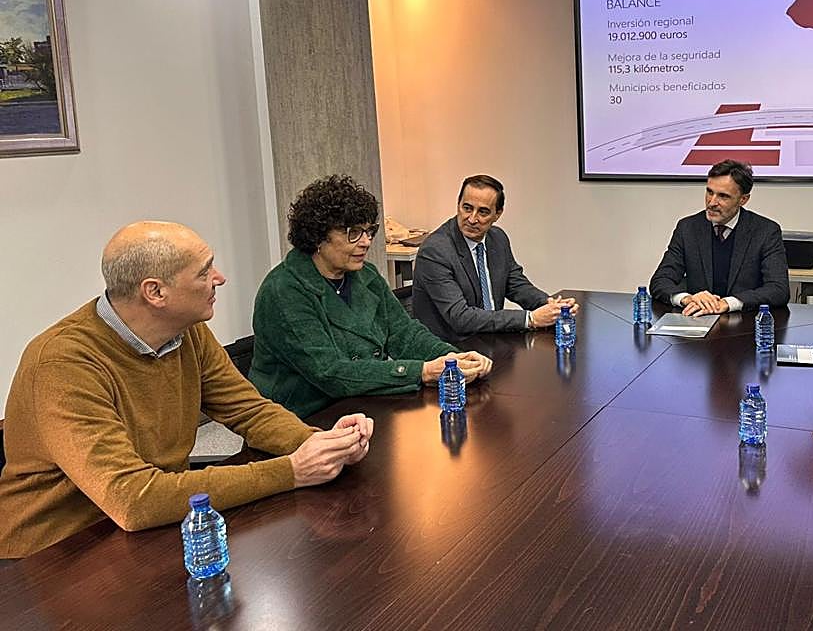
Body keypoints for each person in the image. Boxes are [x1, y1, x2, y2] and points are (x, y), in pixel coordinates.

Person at [0, 221, 375, 559]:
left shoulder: (186, 331)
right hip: (53, 558)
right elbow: (133, 499)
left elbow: (248, 410)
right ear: (155, 292)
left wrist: (322, 444)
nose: (220, 278)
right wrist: (291, 471)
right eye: (204, 271)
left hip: (152, 531)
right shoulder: (63, 364)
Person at [250, 175, 491, 418]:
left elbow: (405, 334)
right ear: (318, 236)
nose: (366, 242)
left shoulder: (366, 275)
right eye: (354, 233)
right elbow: (330, 373)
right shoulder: (283, 291)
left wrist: (451, 357)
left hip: (363, 405)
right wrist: (423, 371)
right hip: (304, 419)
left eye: (368, 231)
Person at [413, 174, 576, 344]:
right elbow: (461, 318)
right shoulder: (435, 251)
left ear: (497, 214)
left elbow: (516, 285)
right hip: (453, 348)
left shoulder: (497, 238)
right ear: (458, 204)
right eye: (467, 208)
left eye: (483, 212)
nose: (472, 219)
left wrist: (551, 306)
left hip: (491, 340)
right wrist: (530, 319)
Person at [649, 159, 788, 315]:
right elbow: (660, 281)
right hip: (696, 319)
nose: (712, 202)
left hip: (744, 321)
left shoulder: (766, 231)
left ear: (743, 199)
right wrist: (687, 299)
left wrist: (729, 303)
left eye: (723, 196)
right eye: (709, 192)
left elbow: (778, 289)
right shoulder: (688, 228)